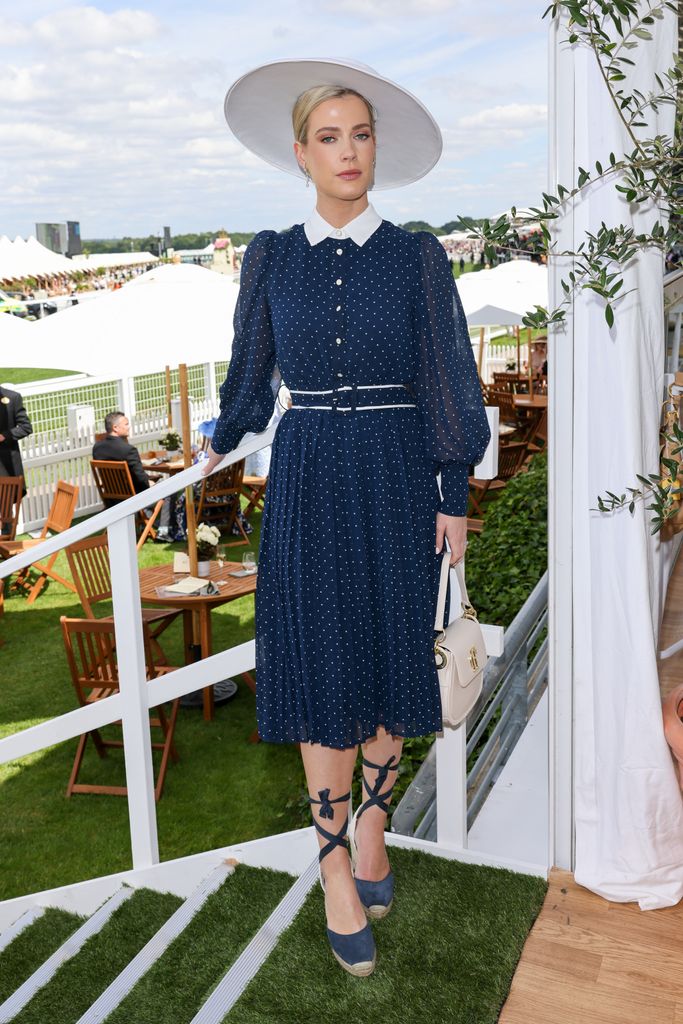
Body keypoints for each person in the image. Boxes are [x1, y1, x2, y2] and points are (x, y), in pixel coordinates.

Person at [203, 58, 490, 977]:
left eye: (360, 134)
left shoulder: (416, 256)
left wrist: (453, 493)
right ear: (300, 153)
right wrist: (226, 432)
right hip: (310, 476)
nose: (348, 151)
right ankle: (331, 865)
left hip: (399, 471)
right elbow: (251, 372)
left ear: (375, 148)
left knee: (390, 655)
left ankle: (373, 832)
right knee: (327, 661)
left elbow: (448, 373)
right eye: (329, 137)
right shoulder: (271, 256)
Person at [93, 411, 174, 539]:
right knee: (168, 488)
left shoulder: (97, 448)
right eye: (126, 424)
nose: (129, 426)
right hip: (131, 499)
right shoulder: (128, 450)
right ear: (115, 428)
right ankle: (163, 531)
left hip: (111, 498)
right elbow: (141, 479)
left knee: (153, 484)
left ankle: (146, 522)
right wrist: (149, 482)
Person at [0, 384, 33, 488]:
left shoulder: (13, 397)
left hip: (6, 469)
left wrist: (5, 436)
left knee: (5, 502)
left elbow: (26, 427)